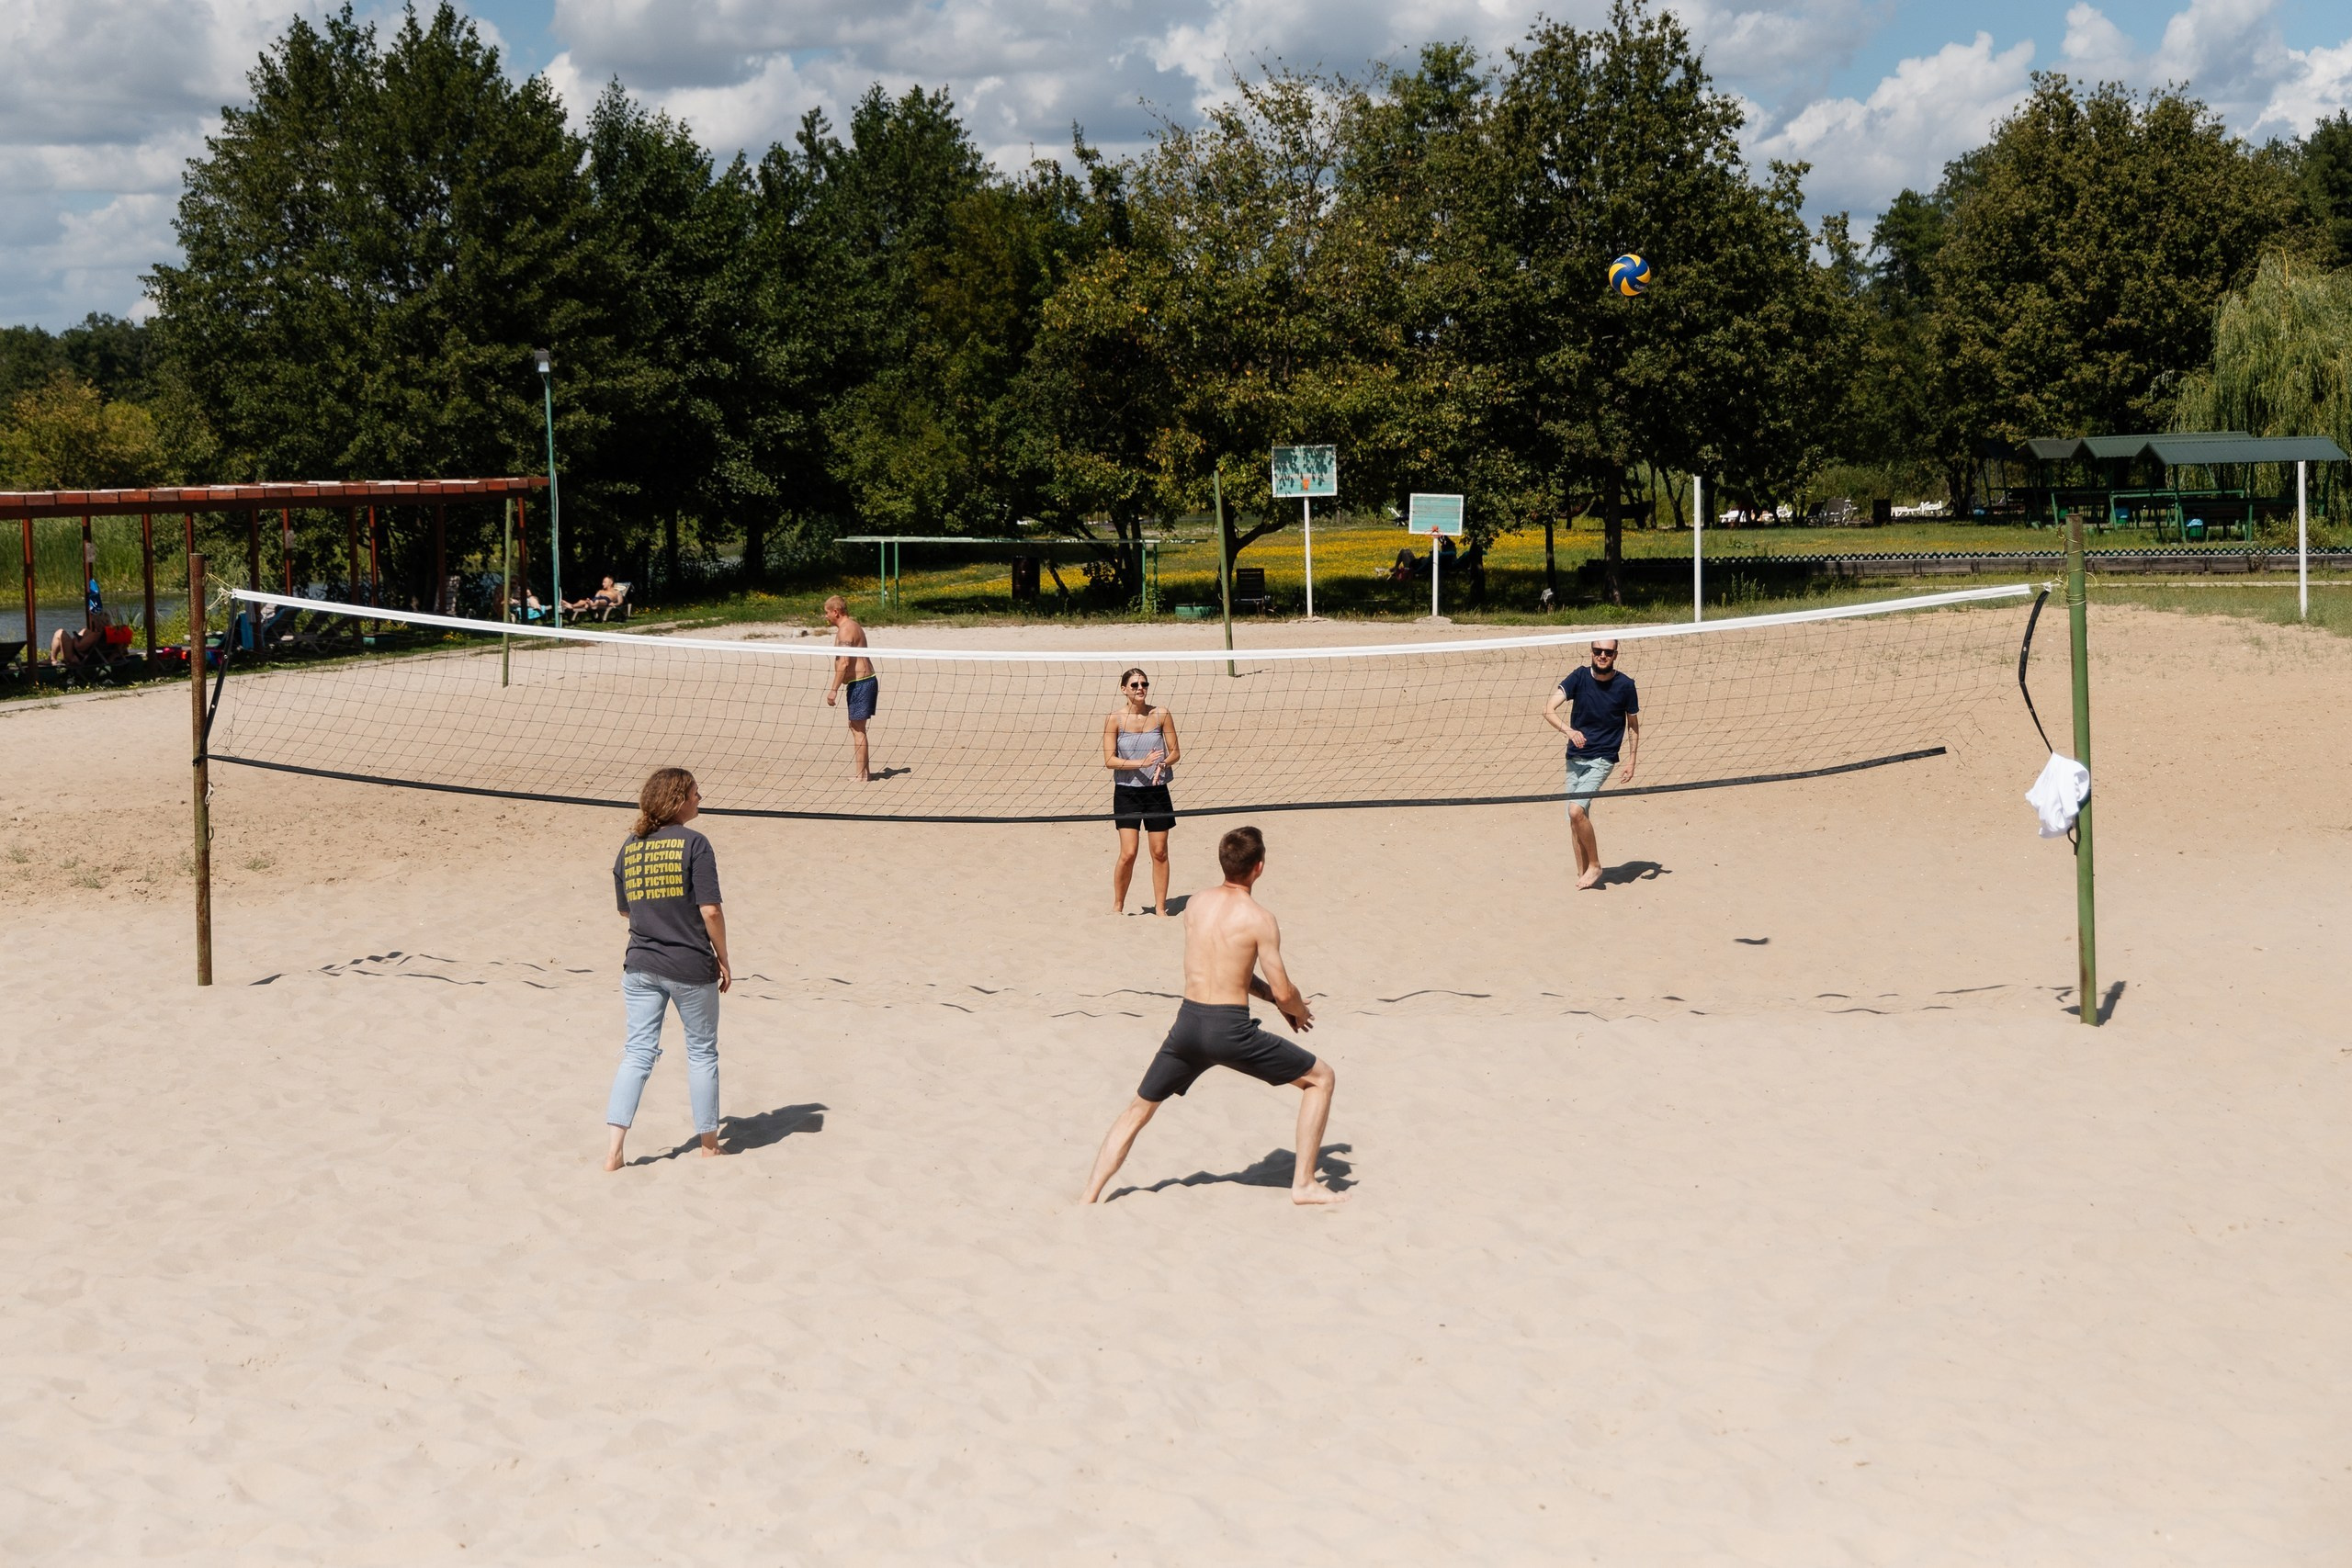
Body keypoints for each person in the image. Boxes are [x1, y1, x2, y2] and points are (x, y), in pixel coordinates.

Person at [1080, 826, 1345, 1207]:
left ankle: (1089, 1195)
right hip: (1230, 1030)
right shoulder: (1259, 918)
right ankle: (1304, 1184)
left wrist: (1273, 1000)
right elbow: (1285, 991)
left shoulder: (1196, 905)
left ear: (1224, 862)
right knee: (1321, 1078)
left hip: (1187, 1026)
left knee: (1138, 1109)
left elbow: (1231, 970)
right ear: (1259, 867)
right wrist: (1296, 1010)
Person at [604, 767, 732, 1171]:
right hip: (689, 964)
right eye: (695, 794)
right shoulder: (695, 844)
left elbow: (627, 909)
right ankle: (709, 1145)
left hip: (639, 964)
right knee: (701, 1053)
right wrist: (724, 958)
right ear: (677, 801)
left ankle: (613, 1152)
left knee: (637, 1053)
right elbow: (710, 909)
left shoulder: (630, 846)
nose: (700, 799)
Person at [1543, 637, 1640, 890]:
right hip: (1575, 756)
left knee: (1576, 811)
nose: (1603, 655)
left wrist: (1631, 760)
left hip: (1603, 757)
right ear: (1592, 652)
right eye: (1598, 651)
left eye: (1608, 652)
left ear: (1615, 655)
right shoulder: (1579, 677)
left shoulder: (1626, 685)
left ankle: (1595, 865)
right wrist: (1569, 731)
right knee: (1575, 820)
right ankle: (1583, 874)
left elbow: (1633, 725)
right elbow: (1548, 710)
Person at [1102, 667, 1182, 915]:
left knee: (1159, 852)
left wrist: (1162, 764)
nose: (1140, 689)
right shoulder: (1114, 719)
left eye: (1144, 684)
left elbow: (1175, 752)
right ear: (1124, 689)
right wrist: (1142, 763)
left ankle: (1160, 908)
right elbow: (1109, 760)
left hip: (1156, 791)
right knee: (1129, 853)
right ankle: (1118, 906)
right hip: (1127, 792)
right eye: (1135, 685)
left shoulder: (1161, 714)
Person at [822, 595, 877, 783]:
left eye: (827, 612)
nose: (826, 616)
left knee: (857, 728)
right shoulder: (850, 626)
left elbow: (844, 662)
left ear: (835, 612)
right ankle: (865, 772)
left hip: (862, 683)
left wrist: (833, 689)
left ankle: (862, 775)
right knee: (856, 727)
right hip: (861, 683)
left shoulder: (846, 630)